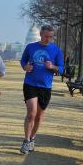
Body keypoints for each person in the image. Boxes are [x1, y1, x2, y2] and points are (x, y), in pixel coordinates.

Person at [19, 25, 63, 154]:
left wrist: (52, 66)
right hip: (30, 83)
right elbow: (23, 61)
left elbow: (61, 69)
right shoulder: (31, 47)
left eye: (51, 37)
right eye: (46, 36)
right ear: (40, 34)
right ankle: (26, 141)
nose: (48, 39)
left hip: (45, 86)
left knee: (38, 117)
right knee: (31, 113)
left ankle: (32, 138)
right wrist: (25, 67)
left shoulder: (56, 50)